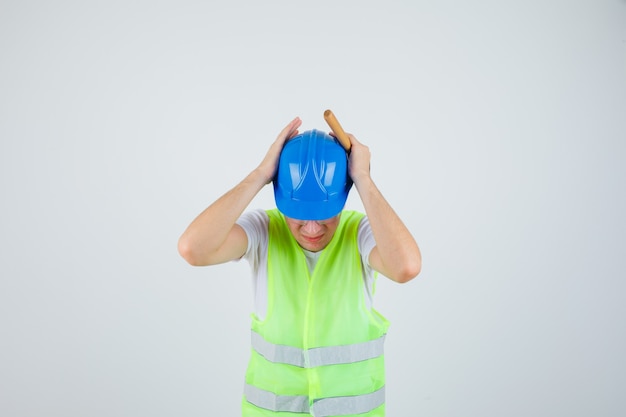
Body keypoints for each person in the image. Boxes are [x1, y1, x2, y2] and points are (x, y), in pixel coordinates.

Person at [178, 116, 421, 417]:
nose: (312, 228)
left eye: (324, 215)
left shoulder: (360, 234)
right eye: (299, 215)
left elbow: (406, 267)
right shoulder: (264, 230)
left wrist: (365, 180)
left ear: (343, 197)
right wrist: (259, 174)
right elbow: (193, 249)